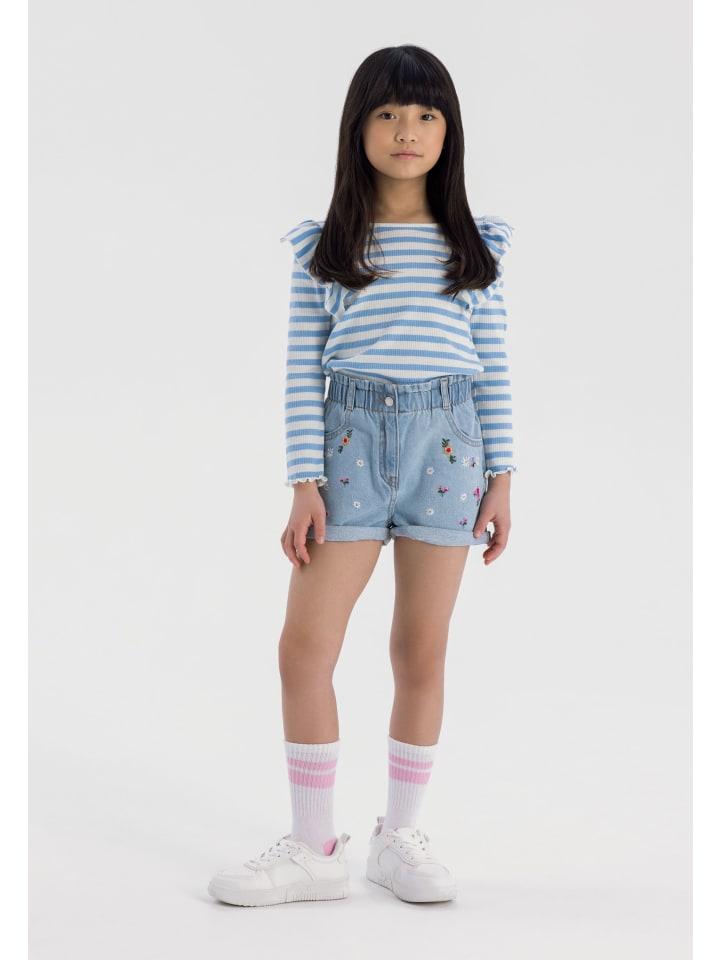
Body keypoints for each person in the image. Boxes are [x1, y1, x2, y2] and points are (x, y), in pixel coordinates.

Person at [208, 43, 517, 908]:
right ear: (357, 128)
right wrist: (303, 480)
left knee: (420, 649)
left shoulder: (473, 247)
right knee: (304, 648)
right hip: (346, 448)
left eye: (424, 114)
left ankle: (399, 837)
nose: (406, 130)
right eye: (386, 113)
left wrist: (503, 473)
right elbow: (301, 369)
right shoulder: (329, 247)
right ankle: (314, 848)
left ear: (449, 131)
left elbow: (493, 366)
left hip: (448, 450)